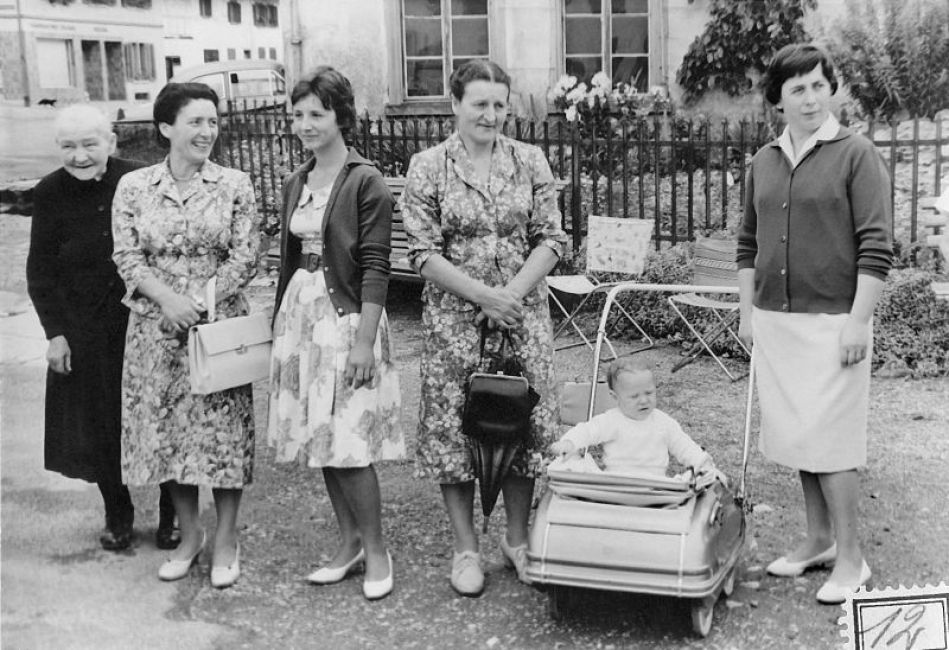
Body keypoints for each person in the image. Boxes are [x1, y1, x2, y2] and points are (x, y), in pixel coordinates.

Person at [400, 60, 568, 596]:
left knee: (520, 425)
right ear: (455, 104)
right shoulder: (429, 166)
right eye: (479, 104)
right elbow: (422, 252)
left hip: (521, 319)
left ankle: (516, 541)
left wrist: (509, 295)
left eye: (499, 104)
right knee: (455, 432)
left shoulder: (530, 160)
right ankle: (465, 549)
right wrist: (482, 296)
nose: (490, 115)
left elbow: (552, 238)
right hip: (456, 324)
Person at [737, 44, 893, 605]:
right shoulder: (763, 161)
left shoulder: (856, 154)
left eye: (818, 86)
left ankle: (852, 558)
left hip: (835, 323)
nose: (809, 98)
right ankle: (819, 540)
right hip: (778, 322)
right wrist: (747, 313)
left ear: (832, 90)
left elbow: (876, 246)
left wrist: (858, 322)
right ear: (777, 99)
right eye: (797, 88)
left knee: (833, 441)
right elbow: (748, 243)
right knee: (799, 436)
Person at [112, 82, 260, 588]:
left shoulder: (234, 184)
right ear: (166, 127)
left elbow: (245, 254)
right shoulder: (134, 187)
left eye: (213, 122)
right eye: (195, 121)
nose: (206, 131)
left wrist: (195, 303)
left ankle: (227, 539)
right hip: (156, 330)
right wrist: (166, 301)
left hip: (217, 328)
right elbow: (127, 255)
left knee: (223, 436)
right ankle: (191, 535)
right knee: (170, 435)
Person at [267, 66, 404, 602]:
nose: (305, 124)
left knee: (348, 441)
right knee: (320, 438)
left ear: (341, 116)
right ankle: (348, 545)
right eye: (298, 114)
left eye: (317, 114)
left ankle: (378, 550)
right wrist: (276, 325)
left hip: (346, 322)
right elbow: (288, 260)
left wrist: (364, 342)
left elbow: (376, 266)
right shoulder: (296, 181)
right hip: (302, 322)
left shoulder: (365, 181)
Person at [26, 104, 178, 552]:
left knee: (162, 415)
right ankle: (118, 510)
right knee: (100, 423)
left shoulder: (140, 180)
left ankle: (173, 511)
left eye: (89, 144)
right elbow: (41, 270)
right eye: (68, 146)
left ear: (111, 141)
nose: (79, 155)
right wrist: (55, 334)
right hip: (85, 327)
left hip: (145, 319)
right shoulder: (49, 192)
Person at [550, 360, 721, 480]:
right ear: (615, 397)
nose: (644, 400)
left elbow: (684, 446)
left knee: (695, 480)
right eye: (634, 396)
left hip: (655, 485)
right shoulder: (612, 420)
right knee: (571, 464)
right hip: (616, 484)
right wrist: (569, 443)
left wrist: (701, 463)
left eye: (649, 393)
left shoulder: (663, 422)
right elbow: (587, 431)